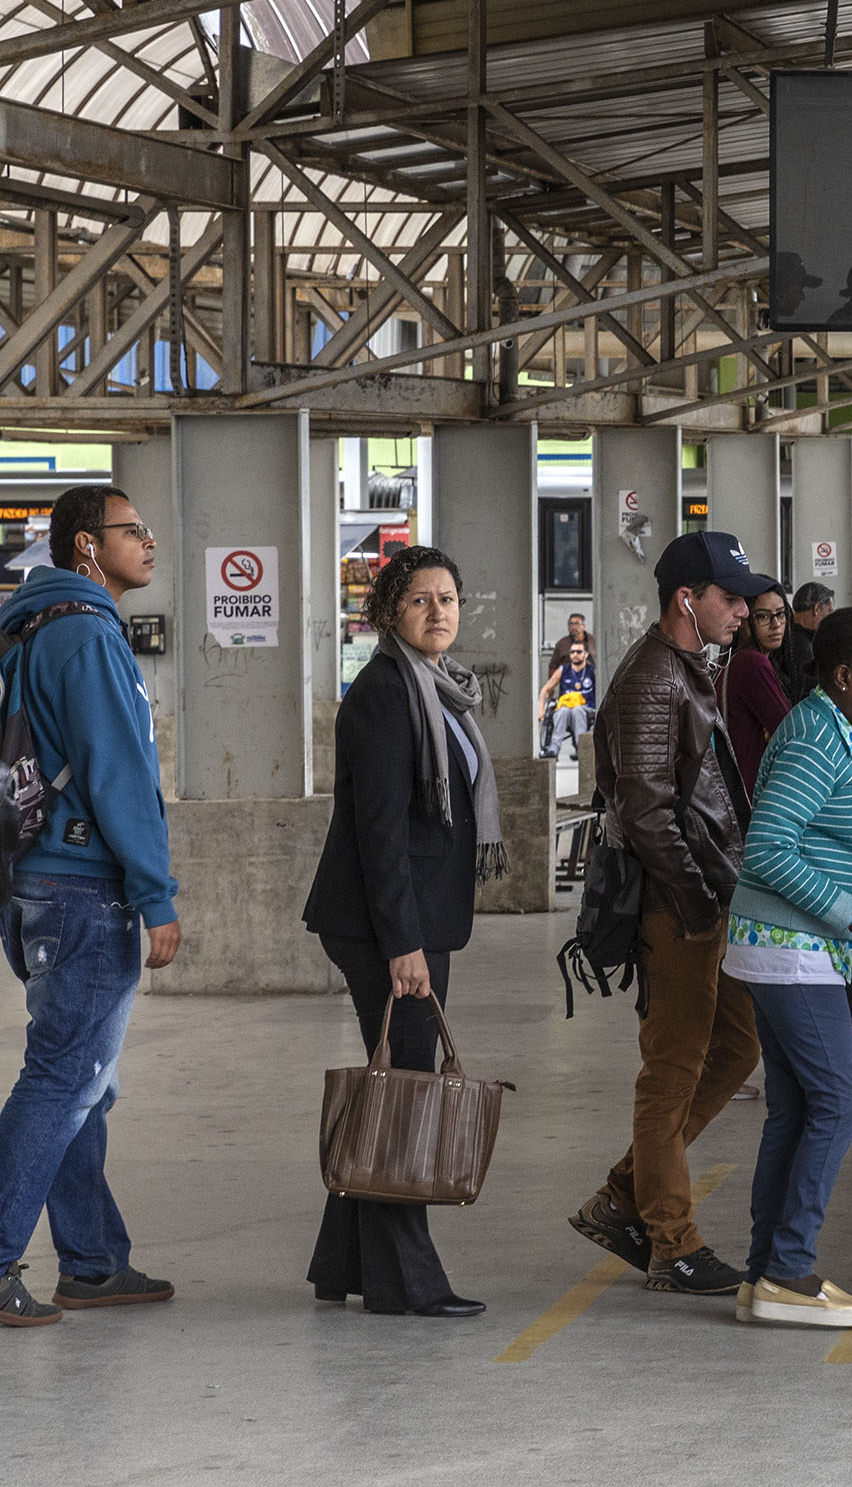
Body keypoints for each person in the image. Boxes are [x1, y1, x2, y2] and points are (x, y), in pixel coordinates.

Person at [568, 530, 778, 1299]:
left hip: (709, 897)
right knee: (672, 1072)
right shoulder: (653, 679)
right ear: (688, 600)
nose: (744, 610)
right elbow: (646, 811)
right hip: (675, 905)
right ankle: (671, 1243)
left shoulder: (690, 670)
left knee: (738, 1044)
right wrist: (694, 906)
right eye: (730, 598)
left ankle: (625, 1196)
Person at [0, 486, 179, 1328]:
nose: (148, 543)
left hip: (35, 881)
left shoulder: (31, 631)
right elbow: (120, 780)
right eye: (132, 531)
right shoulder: (87, 638)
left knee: (83, 1082)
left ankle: (95, 1262)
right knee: (63, 1080)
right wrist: (155, 894)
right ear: (84, 546)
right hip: (83, 887)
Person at [302, 544, 494, 1319]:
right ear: (388, 612)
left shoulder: (440, 692)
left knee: (395, 1085)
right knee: (406, 1097)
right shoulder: (385, 693)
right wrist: (403, 944)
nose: (438, 611)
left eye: (448, 598)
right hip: (384, 924)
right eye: (420, 600)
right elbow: (379, 831)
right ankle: (404, 1282)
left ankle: (339, 1264)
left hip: (410, 919)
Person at [728, 608, 852, 1329]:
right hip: (790, 946)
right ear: (842, 676)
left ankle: (764, 1273)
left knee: (800, 1107)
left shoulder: (834, 729)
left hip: (791, 946)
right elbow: (767, 848)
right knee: (842, 1098)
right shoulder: (812, 738)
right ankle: (788, 1270)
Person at [726, 589, 795, 788]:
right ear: (744, 621)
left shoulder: (738, 659)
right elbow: (790, 731)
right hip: (753, 790)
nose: (776, 625)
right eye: (763, 616)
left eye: (781, 614)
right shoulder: (752, 662)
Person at [541, 639, 596, 764]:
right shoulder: (563, 670)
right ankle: (554, 749)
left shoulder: (592, 671)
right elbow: (545, 689)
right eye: (572, 652)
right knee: (563, 711)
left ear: (586, 654)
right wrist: (541, 711)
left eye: (578, 651)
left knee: (577, 710)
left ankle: (580, 748)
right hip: (565, 707)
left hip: (586, 708)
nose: (575, 654)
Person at [778, 583, 833, 701]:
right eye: (829, 611)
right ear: (817, 609)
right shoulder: (806, 648)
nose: (830, 618)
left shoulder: (782, 636)